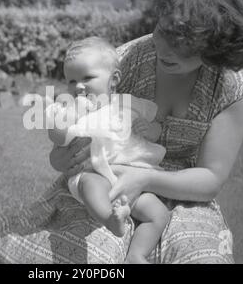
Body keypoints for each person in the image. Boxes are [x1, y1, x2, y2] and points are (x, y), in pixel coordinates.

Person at [0, 0, 243, 264]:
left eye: (180, 46)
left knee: (199, 257)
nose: (162, 47)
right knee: (89, 262)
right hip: (105, 180)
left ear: (214, 53)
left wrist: (144, 178)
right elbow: (72, 135)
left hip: (182, 195)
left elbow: (211, 178)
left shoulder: (232, 85)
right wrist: (62, 154)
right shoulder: (123, 62)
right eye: (162, 30)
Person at [45, 37, 169, 263]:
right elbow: (57, 136)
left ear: (114, 80)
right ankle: (110, 219)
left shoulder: (129, 103)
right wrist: (69, 116)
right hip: (95, 174)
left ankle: (137, 254)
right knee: (89, 185)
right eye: (71, 81)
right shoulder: (69, 109)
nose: (78, 87)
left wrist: (151, 129)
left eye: (87, 78)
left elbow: (158, 123)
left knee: (158, 214)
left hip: (132, 181)